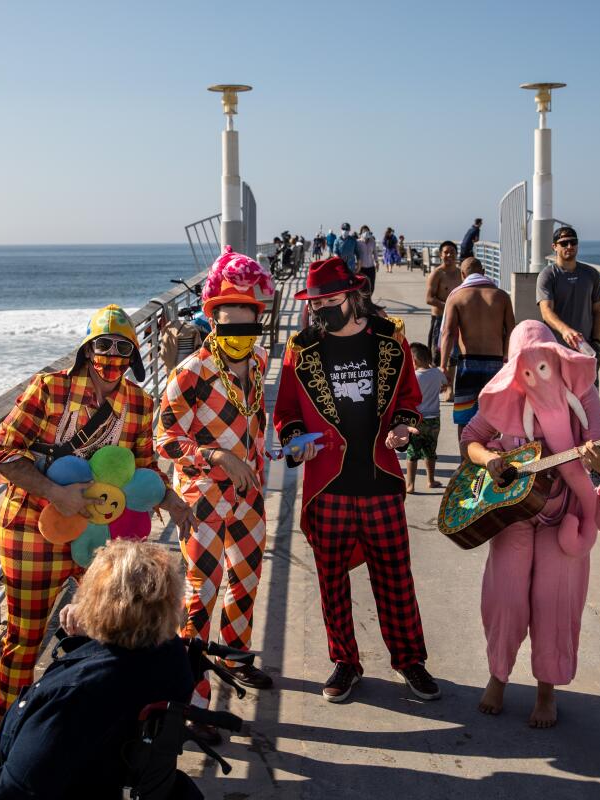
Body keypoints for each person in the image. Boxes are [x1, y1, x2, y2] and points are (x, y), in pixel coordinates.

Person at [0, 304, 191, 732]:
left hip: (100, 536)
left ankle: (101, 732)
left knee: (115, 632)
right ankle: (0, 736)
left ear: (135, 354)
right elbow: (3, 451)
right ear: (86, 349)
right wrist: (55, 493)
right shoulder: (48, 389)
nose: (113, 356)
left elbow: (143, 466)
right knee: (24, 641)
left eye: (124, 347)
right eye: (104, 345)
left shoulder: (138, 403)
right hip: (31, 532)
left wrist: (170, 499)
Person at [273, 256, 441, 704]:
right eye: (314, 302)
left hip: (381, 478)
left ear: (352, 295)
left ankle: (410, 661)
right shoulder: (301, 350)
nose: (319, 310)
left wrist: (405, 428)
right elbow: (286, 411)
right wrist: (294, 441)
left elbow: (409, 397)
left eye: (328, 300)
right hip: (328, 483)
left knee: (396, 577)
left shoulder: (390, 341)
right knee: (331, 579)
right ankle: (345, 661)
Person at [0, 540, 195, 799]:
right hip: (113, 777)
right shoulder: (173, 658)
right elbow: (121, 663)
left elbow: (11, 792)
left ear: (96, 602)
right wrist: (92, 632)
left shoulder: (71, 696)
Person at [461, 321, 600, 728]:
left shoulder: (584, 396)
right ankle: (498, 676)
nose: (535, 374)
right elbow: (471, 438)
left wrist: (597, 459)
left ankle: (546, 691)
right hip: (512, 512)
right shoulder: (504, 398)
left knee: (556, 602)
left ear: (557, 357)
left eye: (542, 365)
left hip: (566, 512)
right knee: (506, 597)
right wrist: (489, 461)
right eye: (526, 368)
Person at [157, 247, 276, 738]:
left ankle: (237, 659)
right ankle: (192, 702)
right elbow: (164, 438)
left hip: (247, 495)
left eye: (249, 327)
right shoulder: (190, 374)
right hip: (202, 498)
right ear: (212, 322)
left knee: (245, 581)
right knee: (199, 595)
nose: (240, 338)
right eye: (229, 328)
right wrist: (217, 456)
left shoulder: (260, 360)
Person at [440, 257, 514, 440]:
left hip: (468, 364)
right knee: (495, 417)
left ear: (463, 275)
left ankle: (465, 462)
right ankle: (492, 462)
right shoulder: (501, 296)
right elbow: (512, 331)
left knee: (465, 418)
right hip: (496, 364)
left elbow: (448, 333)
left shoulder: (457, 297)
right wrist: (507, 357)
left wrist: (443, 365)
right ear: (483, 273)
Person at [537, 226, 600, 379]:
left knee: (588, 398)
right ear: (554, 247)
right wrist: (566, 330)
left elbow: (597, 311)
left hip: (586, 348)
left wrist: (596, 342)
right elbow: (546, 312)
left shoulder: (591, 274)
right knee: (559, 399)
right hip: (557, 349)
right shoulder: (548, 275)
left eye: (573, 242)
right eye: (564, 243)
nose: (570, 246)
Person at [405, 343, 446, 493]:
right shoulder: (437, 373)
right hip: (434, 419)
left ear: (414, 361)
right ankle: (431, 480)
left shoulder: (412, 377)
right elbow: (445, 384)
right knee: (430, 451)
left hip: (416, 420)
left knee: (412, 452)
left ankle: (410, 485)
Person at [424, 241, 462, 358]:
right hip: (440, 320)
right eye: (446, 252)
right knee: (437, 356)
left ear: (457, 254)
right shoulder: (437, 274)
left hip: (457, 320)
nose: (449, 255)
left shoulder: (461, 273)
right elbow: (429, 299)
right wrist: (448, 307)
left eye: (452, 252)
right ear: (440, 255)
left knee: (455, 357)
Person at [357, 225, 379, 292]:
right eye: (364, 231)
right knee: (362, 286)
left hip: (371, 267)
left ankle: (369, 299)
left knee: (371, 286)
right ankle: (364, 301)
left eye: (367, 231)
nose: (365, 232)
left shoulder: (372, 241)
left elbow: (375, 252)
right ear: (361, 233)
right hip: (361, 268)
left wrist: (377, 262)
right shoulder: (358, 242)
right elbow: (355, 254)